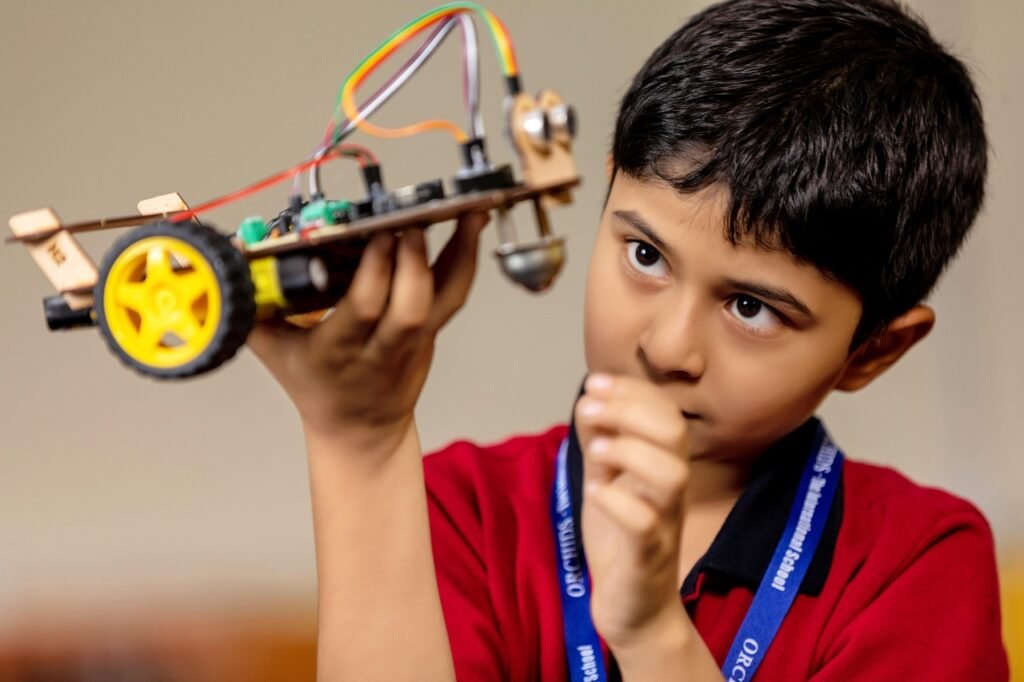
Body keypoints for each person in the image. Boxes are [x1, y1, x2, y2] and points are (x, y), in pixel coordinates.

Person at [248, 0, 1008, 679]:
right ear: (607, 189)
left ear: (875, 349)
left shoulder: (919, 563)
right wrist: (362, 445)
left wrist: (652, 636)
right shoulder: (459, 514)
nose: (668, 347)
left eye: (752, 308)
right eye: (645, 256)